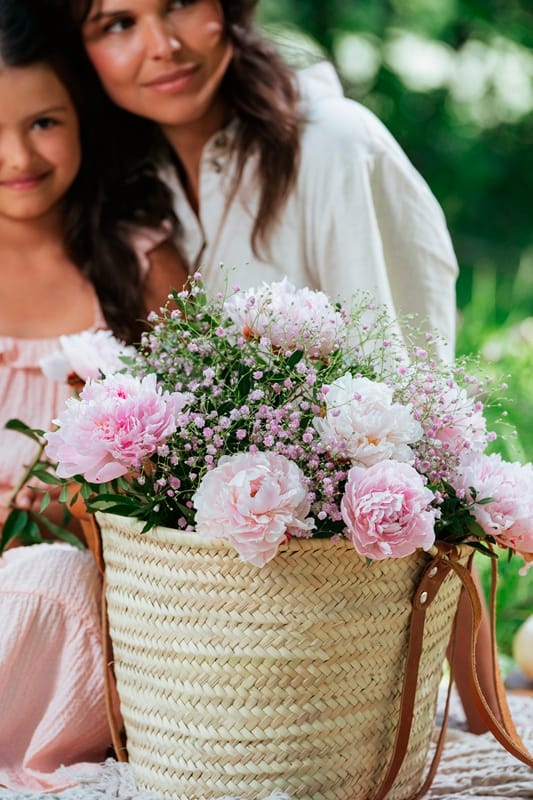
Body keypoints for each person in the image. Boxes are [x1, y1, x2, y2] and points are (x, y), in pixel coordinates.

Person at [60, 0, 499, 734]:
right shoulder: (126, 181)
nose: (162, 45)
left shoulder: (332, 145)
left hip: (352, 588)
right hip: (224, 616)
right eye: (117, 23)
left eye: (179, 4)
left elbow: (403, 402)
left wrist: (471, 692)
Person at [0, 0, 186, 790]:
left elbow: (193, 468)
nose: (17, 155)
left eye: (44, 122)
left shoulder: (141, 266)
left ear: (84, 116)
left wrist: (84, 506)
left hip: (90, 602)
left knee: (51, 580)